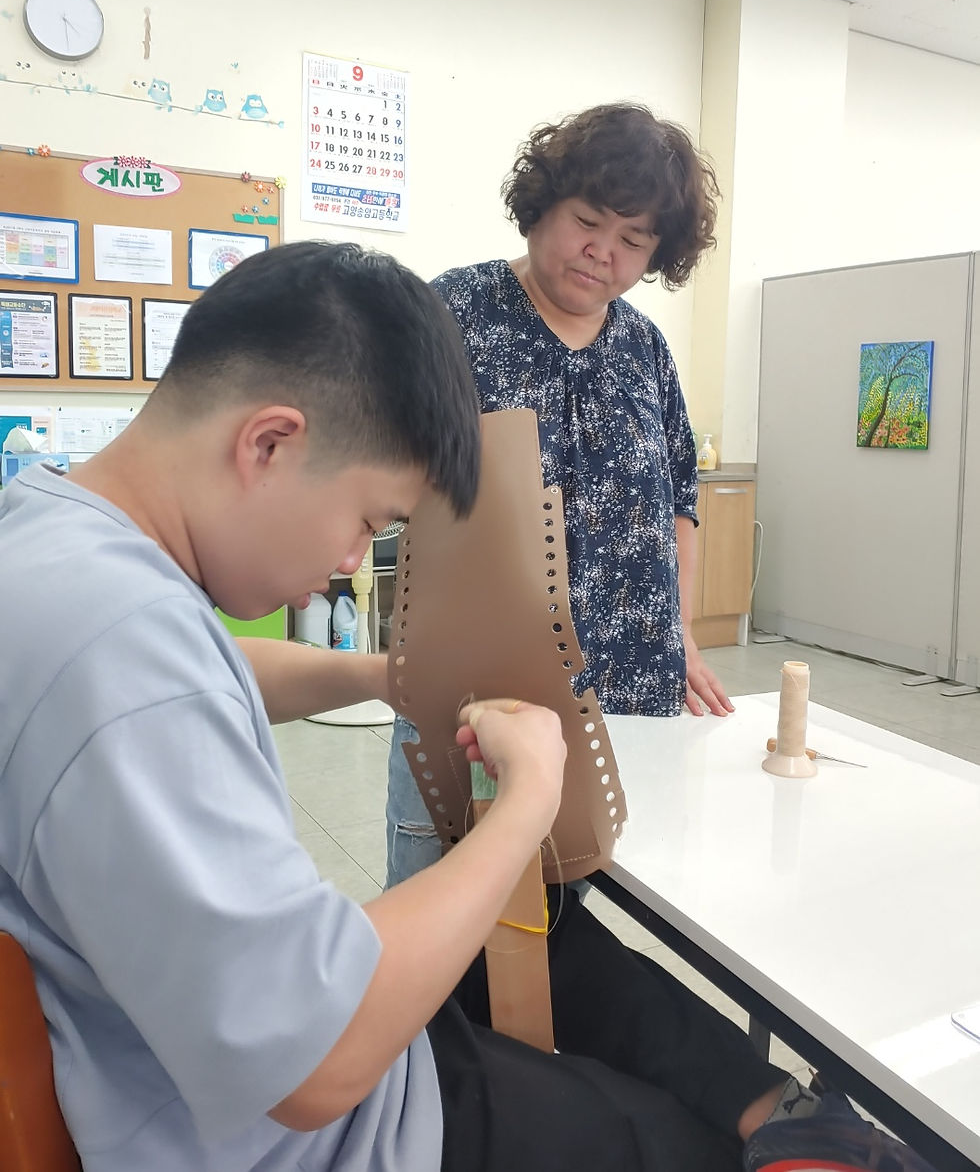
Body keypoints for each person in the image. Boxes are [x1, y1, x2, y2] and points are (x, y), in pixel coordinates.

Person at [0, 242, 933, 1172]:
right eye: (368, 521)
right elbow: (317, 1060)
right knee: (663, 1131)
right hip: (340, 1126)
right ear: (269, 443)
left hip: (275, 1049)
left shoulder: (55, 539)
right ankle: (785, 1136)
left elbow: (217, 671)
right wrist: (527, 798)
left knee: (557, 947)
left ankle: (775, 1106)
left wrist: (381, 675)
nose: (349, 561)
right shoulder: (129, 658)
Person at [387, 101, 734, 887]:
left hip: (628, 695)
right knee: (442, 896)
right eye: (588, 221)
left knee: (592, 900)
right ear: (542, 204)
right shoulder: (454, 313)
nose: (602, 252)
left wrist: (679, 631)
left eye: (633, 240)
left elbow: (680, 502)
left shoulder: (644, 347)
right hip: (480, 697)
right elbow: (384, 467)